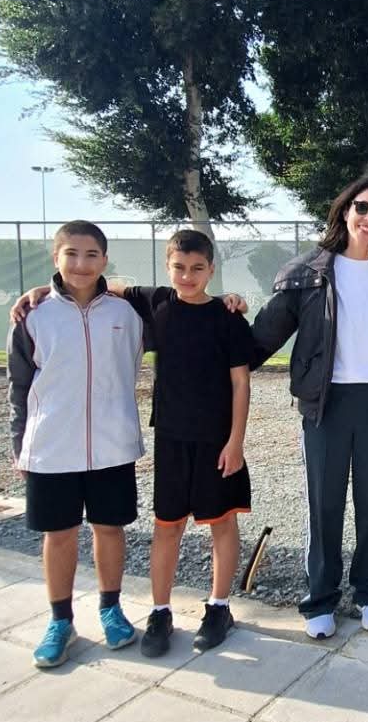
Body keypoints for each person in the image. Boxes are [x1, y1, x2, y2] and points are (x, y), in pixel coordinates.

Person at [13, 229, 257, 657]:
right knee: (155, 527)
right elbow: (95, 286)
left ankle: (210, 608)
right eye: (179, 267)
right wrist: (42, 290)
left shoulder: (210, 317)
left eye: (197, 268)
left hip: (191, 441)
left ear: (211, 270)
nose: (187, 275)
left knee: (207, 523)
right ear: (167, 268)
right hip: (150, 441)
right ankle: (140, 614)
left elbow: (240, 381)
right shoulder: (150, 303)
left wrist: (236, 440)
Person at [250, 175, 368, 639]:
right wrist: (216, 325)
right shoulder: (307, 273)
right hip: (324, 404)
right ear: (345, 211)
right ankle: (321, 599)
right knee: (324, 503)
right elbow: (261, 338)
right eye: (362, 207)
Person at [8, 221, 144, 668]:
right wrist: (19, 444)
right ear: (55, 258)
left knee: (110, 528)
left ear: (104, 260)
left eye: (91, 255)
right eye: (71, 253)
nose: (81, 264)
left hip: (113, 445)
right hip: (52, 446)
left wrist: (228, 300)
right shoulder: (33, 316)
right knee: (60, 533)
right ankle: (60, 621)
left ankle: (111, 609)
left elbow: (184, 308)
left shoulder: (127, 314)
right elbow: (19, 386)